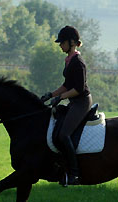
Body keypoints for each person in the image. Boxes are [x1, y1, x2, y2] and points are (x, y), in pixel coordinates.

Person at [41, 26, 92, 185]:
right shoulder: (69, 60)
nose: (59, 45)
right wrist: (52, 94)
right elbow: (66, 85)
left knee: (64, 135)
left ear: (71, 43)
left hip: (82, 102)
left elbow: (78, 88)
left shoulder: (78, 62)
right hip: (74, 101)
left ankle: (74, 174)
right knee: (56, 129)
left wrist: (61, 98)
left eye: (62, 42)